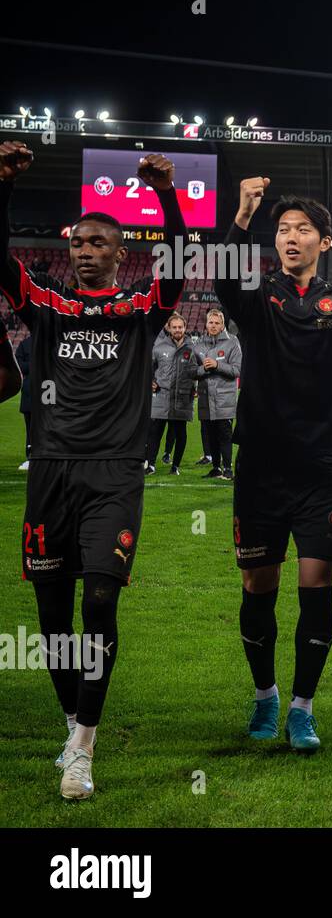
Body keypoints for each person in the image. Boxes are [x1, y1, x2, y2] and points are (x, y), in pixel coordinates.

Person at [1, 140, 185, 799]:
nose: (84, 249)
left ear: (117, 254)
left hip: (114, 473)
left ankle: (84, 743)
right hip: (50, 469)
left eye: (98, 241)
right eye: (78, 241)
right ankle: (72, 720)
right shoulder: (44, 306)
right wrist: (4, 185)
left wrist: (165, 194)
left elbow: (181, 264)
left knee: (99, 598)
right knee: (51, 621)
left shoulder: (140, 310)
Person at [216, 176, 332, 753]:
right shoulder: (258, 299)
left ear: (323, 242)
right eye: (283, 230)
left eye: (303, 229)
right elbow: (225, 278)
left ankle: (302, 706)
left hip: (319, 468)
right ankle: (265, 695)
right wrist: (242, 214)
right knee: (258, 583)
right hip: (258, 469)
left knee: (315, 584)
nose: (292, 237)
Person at [145, 314, 198, 474]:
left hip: (182, 399)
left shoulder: (192, 348)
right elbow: (147, 368)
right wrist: (151, 381)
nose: (177, 330)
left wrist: (195, 386)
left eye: (180, 327)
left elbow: (198, 369)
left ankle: (175, 467)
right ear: (168, 328)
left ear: (185, 327)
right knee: (155, 434)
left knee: (180, 434)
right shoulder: (158, 347)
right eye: (174, 327)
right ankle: (151, 465)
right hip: (161, 397)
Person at [194, 308, 241, 479]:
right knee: (210, 435)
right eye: (210, 322)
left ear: (222, 325)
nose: (213, 326)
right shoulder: (198, 343)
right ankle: (216, 468)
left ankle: (228, 469)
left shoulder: (232, 342)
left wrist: (217, 365)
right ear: (206, 324)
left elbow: (238, 370)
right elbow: (191, 371)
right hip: (205, 397)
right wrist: (203, 370)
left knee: (225, 435)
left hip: (224, 399)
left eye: (217, 323)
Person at [15, 332, 32, 466]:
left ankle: (34, 455)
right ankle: (31, 455)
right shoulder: (25, 344)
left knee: (38, 424)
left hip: (47, 389)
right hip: (32, 390)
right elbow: (19, 366)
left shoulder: (50, 342)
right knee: (31, 424)